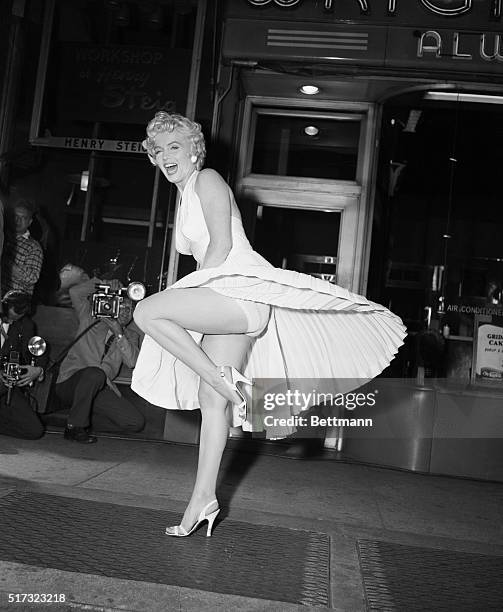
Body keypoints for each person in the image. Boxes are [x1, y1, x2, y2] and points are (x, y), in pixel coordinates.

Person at [131, 112, 407, 537]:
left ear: (193, 149)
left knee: (147, 312)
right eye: (159, 149)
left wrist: (186, 306)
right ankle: (203, 499)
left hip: (237, 291)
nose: (166, 156)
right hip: (226, 296)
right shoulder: (185, 193)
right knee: (212, 399)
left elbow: (221, 246)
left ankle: (235, 388)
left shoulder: (207, 180)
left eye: (175, 146)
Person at [54, 271, 145, 443]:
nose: (126, 312)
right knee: (94, 373)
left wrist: (119, 333)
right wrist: (104, 283)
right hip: (71, 381)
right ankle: (74, 427)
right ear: (114, 305)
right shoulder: (90, 318)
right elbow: (76, 293)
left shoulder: (129, 336)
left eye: (130, 309)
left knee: (135, 422)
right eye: (122, 306)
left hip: (101, 387)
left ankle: (81, 417)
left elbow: (132, 362)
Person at [0, 290, 46, 439]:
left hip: (7, 387)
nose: (12, 322)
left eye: (17, 319)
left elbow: (37, 350)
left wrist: (38, 370)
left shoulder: (26, 325)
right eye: (9, 318)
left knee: (34, 430)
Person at [2, 198, 44, 296]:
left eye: (23, 218)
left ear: (29, 222)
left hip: (14, 304)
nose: (18, 220)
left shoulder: (33, 247)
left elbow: (32, 278)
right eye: (15, 216)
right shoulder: (4, 237)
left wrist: (7, 263)